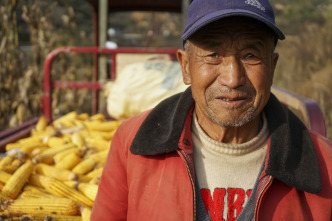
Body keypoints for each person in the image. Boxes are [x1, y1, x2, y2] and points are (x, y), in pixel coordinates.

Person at [91, 0, 332, 220]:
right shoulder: (132, 143)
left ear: (272, 66)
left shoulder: (325, 164)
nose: (232, 78)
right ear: (186, 67)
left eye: (250, 55)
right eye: (213, 55)